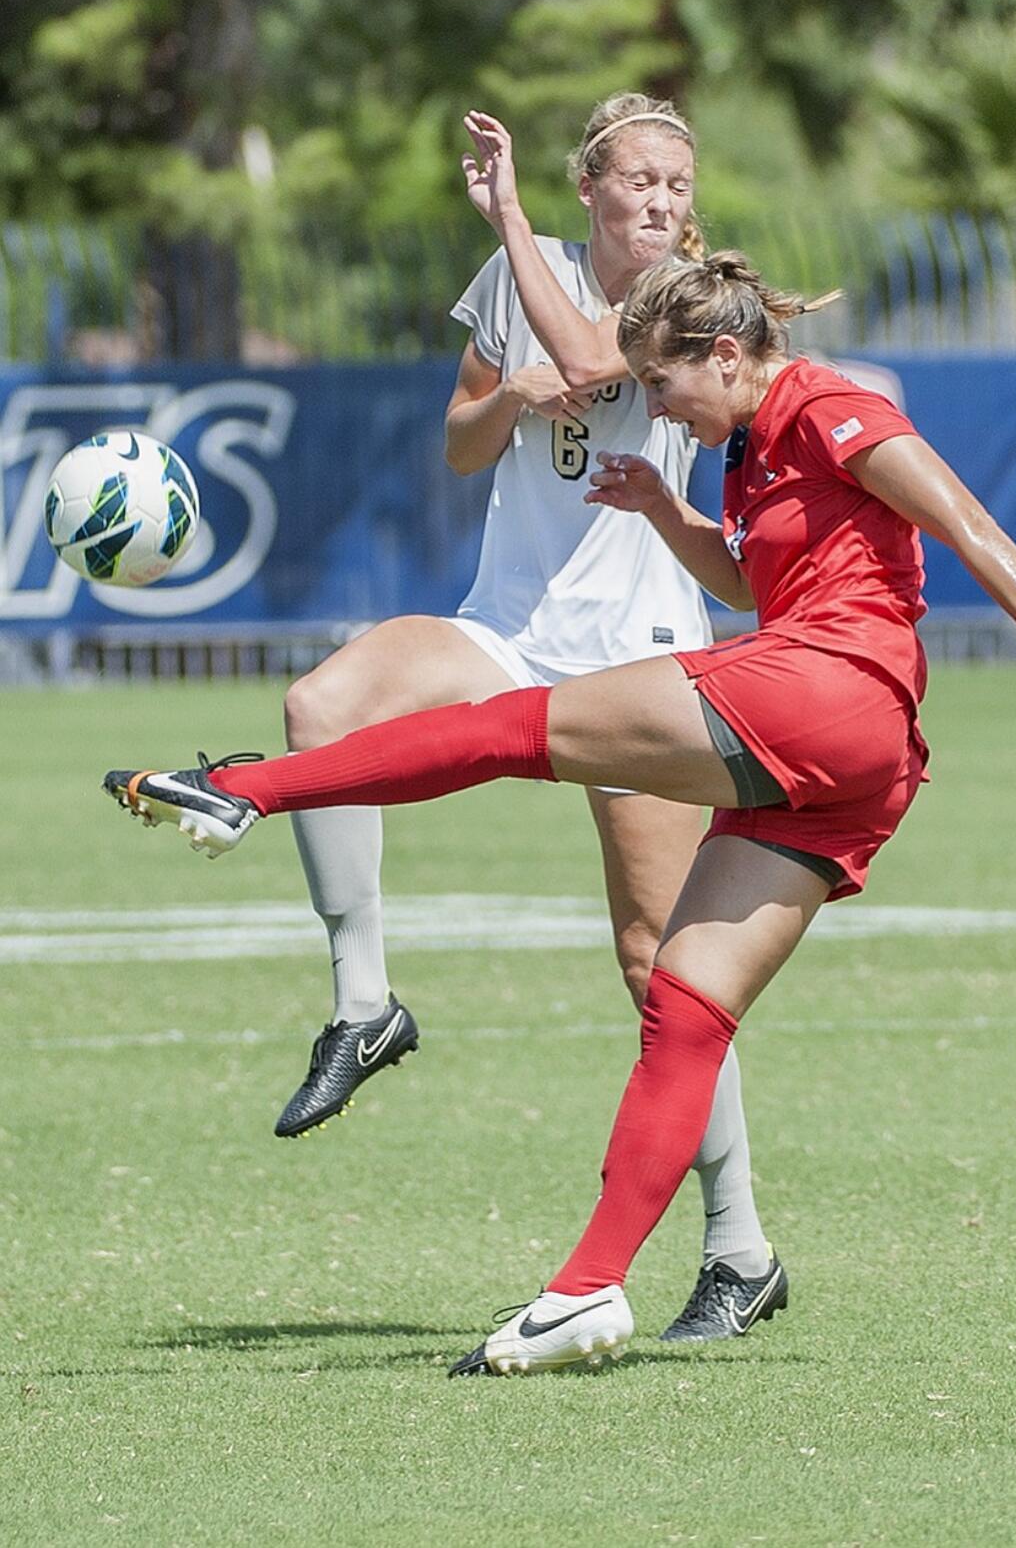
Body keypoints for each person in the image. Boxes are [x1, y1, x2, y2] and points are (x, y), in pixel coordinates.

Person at [105, 250, 1016, 1377]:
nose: (652, 407)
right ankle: (585, 1288)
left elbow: (963, 521)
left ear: (723, 354)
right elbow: (754, 588)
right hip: (859, 765)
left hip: (824, 691)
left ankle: (244, 787)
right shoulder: (747, 447)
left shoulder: (825, 405)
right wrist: (663, 506)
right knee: (684, 1006)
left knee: (510, 726)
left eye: (662, 386)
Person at [189, 94, 785, 1341]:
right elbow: (465, 445)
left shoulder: (686, 300)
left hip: (647, 658)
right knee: (324, 703)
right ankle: (365, 1004)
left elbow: (591, 361)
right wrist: (504, 395)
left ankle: (737, 1244)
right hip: (505, 633)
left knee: (658, 965)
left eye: (679, 182)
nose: (663, 202)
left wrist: (511, 223)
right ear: (592, 188)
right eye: (639, 180)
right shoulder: (518, 276)